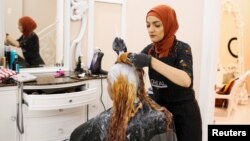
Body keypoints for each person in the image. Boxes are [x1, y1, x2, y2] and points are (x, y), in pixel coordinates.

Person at [113, 4, 202, 141]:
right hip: (161, 114)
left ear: (168, 25)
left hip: (185, 115)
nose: (151, 30)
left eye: (157, 25)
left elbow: (186, 80)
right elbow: (130, 68)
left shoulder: (182, 49)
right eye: (148, 25)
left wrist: (151, 61)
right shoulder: (150, 50)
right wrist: (122, 53)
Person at [70, 53, 177, 141]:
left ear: (115, 88)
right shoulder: (162, 116)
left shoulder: (98, 125)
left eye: (108, 83)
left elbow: (76, 136)